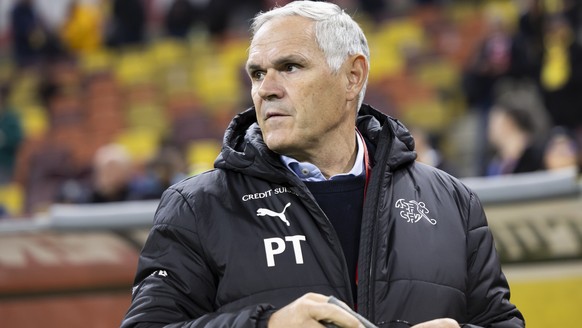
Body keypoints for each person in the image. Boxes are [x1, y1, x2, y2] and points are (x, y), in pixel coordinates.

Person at [121, 2, 524, 327]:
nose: (266, 90)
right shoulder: (196, 207)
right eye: (257, 73)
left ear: (353, 76)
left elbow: (500, 320)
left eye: (289, 67)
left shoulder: (452, 202)